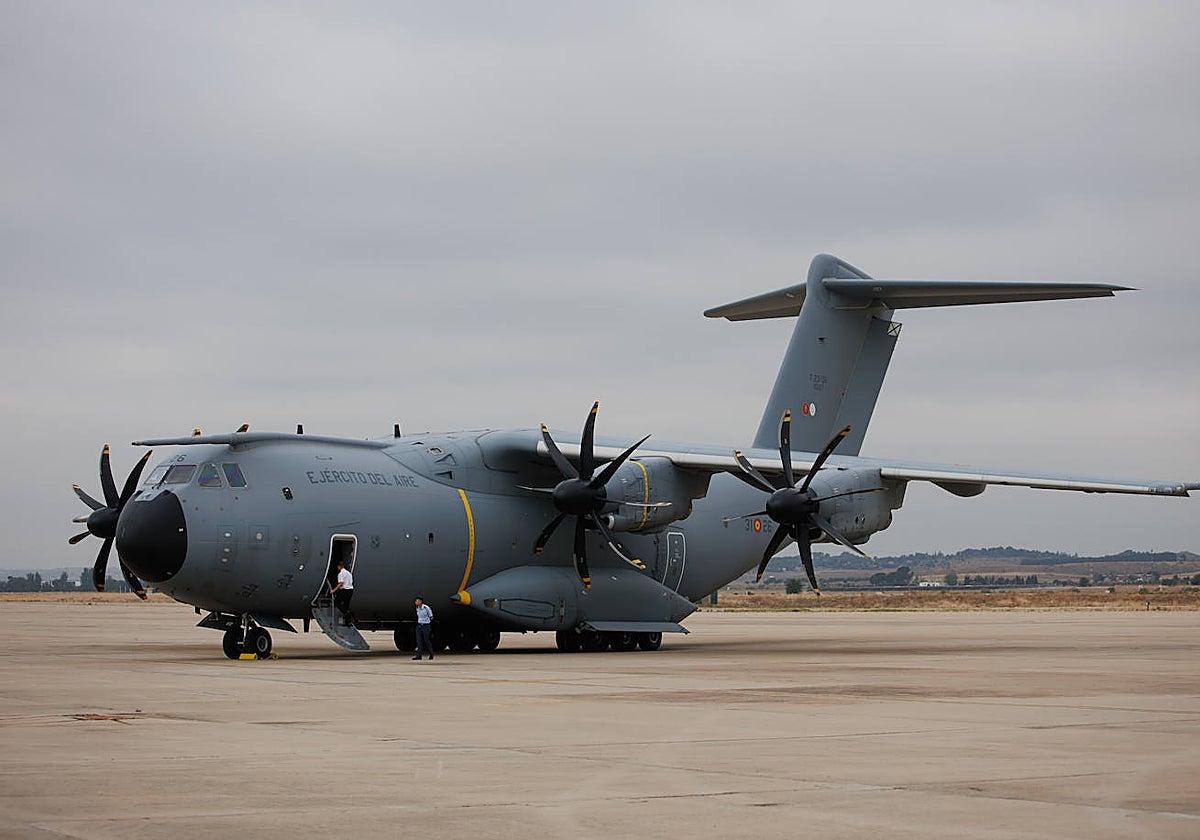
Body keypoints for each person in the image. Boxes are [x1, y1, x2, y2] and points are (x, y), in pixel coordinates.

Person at [329, 560, 354, 626]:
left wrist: (333, 590)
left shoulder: (341, 574)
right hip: (350, 590)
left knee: (336, 602)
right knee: (346, 604)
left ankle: (346, 613)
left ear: (339, 567)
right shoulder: (349, 573)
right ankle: (347, 622)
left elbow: (341, 583)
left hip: (344, 590)